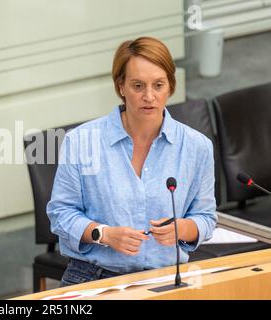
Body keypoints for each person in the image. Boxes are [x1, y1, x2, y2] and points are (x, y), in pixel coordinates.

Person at [46, 36, 217, 287]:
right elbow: (60, 214)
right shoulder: (82, 140)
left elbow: (205, 217)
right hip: (93, 276)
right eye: (138, 86)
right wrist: (103, 234)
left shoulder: (197, 146)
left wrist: (183, 228)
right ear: (121, 87)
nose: (149, 96)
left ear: (170, 86)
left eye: (158, 85)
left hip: (166, 278)